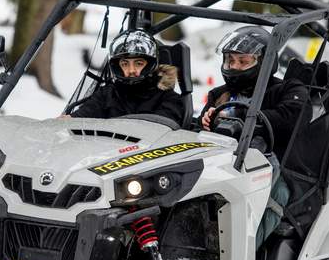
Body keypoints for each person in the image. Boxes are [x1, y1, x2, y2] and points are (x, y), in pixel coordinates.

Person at [198, 26, 310, 247]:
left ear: (264, 62)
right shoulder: (220, 94)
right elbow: (202, 128)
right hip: (220, 167)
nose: (235, 67)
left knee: (273, 195)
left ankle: (241, 253)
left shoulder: (286, 90)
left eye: (243, 61)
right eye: (231, 61)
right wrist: (207, 120)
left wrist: (248, 118)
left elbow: (293, 116)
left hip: (272, 172)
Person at [67, 29, 184, 123]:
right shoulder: (107, 94)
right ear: (117, 66)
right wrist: (68, 120)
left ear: (151, 64)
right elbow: (82, 115)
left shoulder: (169, 99)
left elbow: (159, 130)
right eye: (124, 64)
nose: (131, 70)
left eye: (139, 63)